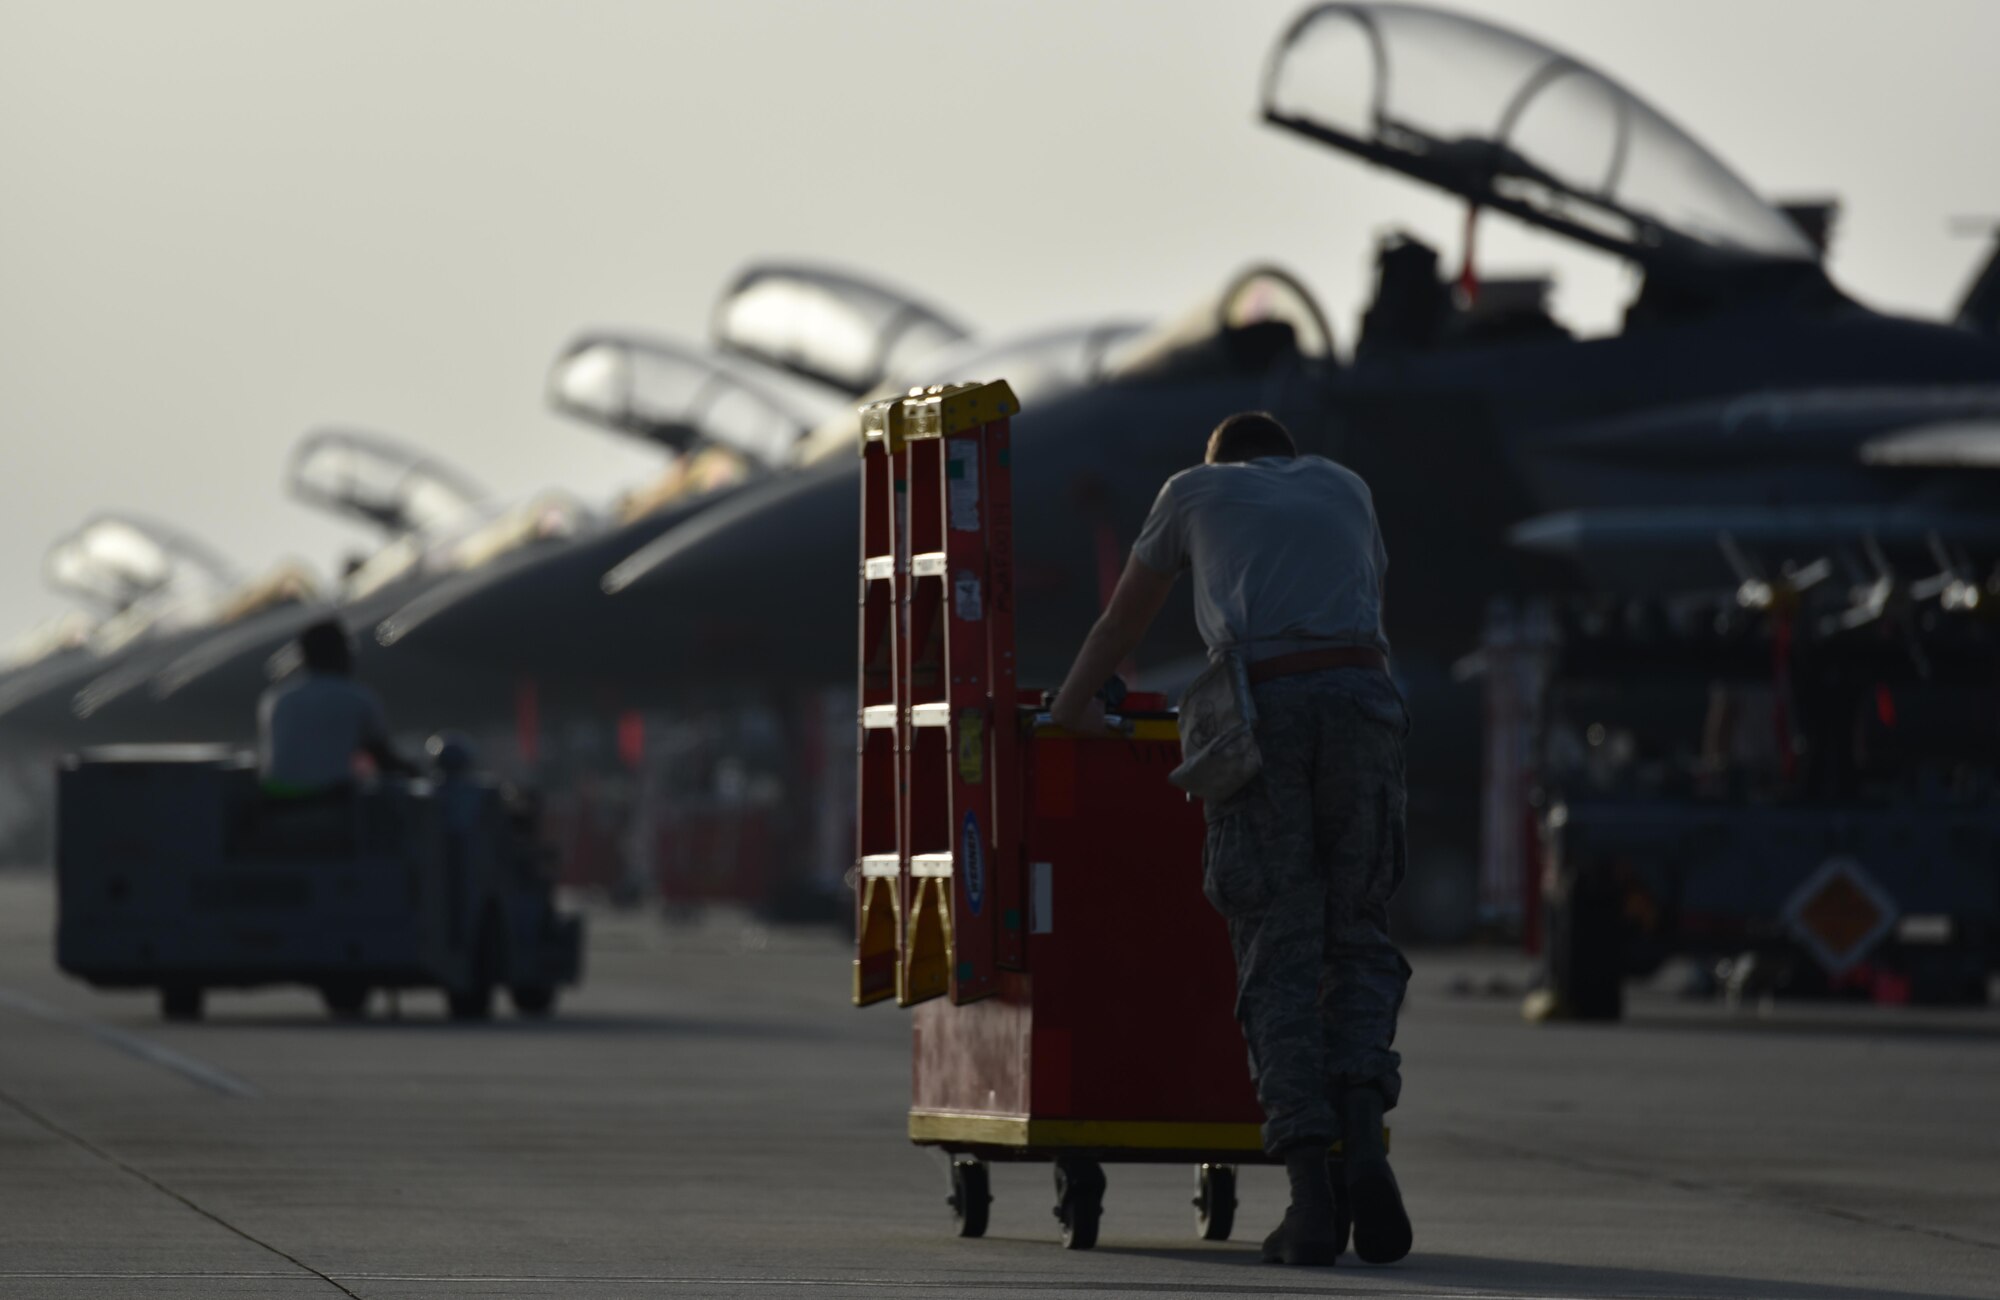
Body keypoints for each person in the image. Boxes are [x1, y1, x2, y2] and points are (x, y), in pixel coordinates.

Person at [1049, 411, 1413, 1267]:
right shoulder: (1346, 486)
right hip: (1367, 704)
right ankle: (1363, 1138)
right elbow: (1364, 611)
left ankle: (1310, 1202)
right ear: (1285, 458)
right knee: (1357, 936)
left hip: (1269, 714)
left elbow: (1119, 628)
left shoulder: (1192, 490)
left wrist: (1070, 711)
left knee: (1277, 948)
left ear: (1220, 461)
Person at [257, 618, 416, 796]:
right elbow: (383, 759)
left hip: (276, 803)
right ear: (340, 653)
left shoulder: (277, 699)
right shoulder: (356, 698)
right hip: (328, 802)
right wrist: (418, 773)